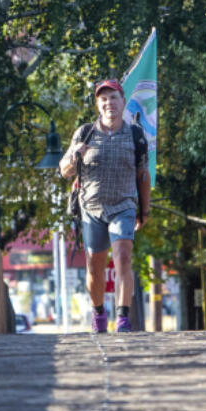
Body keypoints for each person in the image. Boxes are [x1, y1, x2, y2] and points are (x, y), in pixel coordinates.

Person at [59, 79, 151, 333]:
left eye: (114, 98)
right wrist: (76, 154)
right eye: (104, 99)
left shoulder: (135, 134)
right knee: (95, 266)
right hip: (91, 209)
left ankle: (123, 318)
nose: (109, 103)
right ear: (98, 105)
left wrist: (145, 210)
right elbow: (64, 171)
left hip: (123, 206)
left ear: (123, 102)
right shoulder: (84, 133)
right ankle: (98, 312)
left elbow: (143, 174)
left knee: (122, 256)